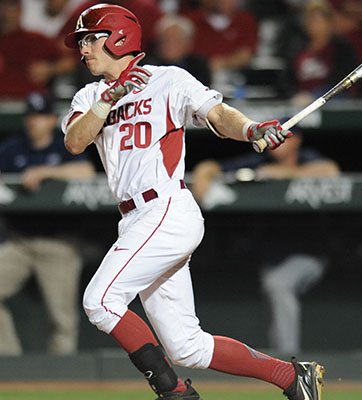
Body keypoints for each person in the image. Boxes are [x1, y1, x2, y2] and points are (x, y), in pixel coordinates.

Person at [61, 4, 324, 400]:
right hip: (134, 219)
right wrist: (109, 99)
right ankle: (290, 376)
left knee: (100, 300)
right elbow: (75, 141)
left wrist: (251, 128)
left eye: (89, 39)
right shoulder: (90, 94)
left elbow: (218, 115)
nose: (83, 49)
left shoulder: (168, 80)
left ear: (118, 37)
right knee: (187, 346)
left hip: (166, 208)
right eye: (81, 41)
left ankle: (174, 393)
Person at [192, 132, 340, 355]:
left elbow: (331, 171)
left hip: (308, 254)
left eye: (285, 136)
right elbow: (213, 166)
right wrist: (203, 175)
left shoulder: (307, 158)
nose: (277, 142)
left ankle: (290, 361)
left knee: (278, 284)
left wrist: (282, 174)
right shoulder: (260, 161)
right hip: (267, 255)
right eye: (274, 136)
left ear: (297, 140)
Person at [0, 91, 95, 355]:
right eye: (30, 116)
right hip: (19, 241)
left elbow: (86, 174)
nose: (34, 121)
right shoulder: (12, 148)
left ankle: (60, 379)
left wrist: (45, 172)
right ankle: (9, 364)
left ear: (52, 119)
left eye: (40, 116)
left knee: (61, 319)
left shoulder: (64, 145)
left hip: (59, 243)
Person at [0, 0, 75, 99]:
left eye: (10, 6)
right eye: (1, 7)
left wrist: (50, 69)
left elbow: (69, 63)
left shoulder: (35, 39)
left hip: (30, 104)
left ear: (20, 10)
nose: (4, 12)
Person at [145, 14, 211, 85]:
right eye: (165, 39)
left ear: (188, 44)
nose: (170, 45)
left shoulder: (199, 66)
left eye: (176, 40)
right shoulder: (147, 66)